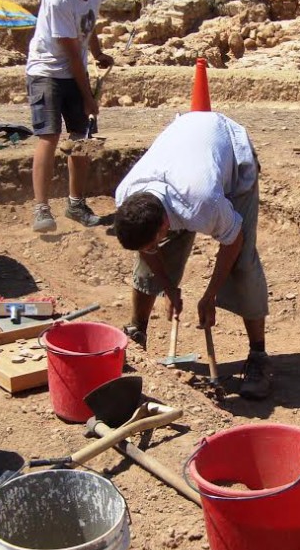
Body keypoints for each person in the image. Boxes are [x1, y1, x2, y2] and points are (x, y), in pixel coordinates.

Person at [112, 110, 272, 400]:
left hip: (229, 152)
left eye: (153, 240)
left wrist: (210, 295)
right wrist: (169, 287)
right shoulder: (127, 195)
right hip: (185, 144)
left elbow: (233, 241)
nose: (150, 247)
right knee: (149, 263)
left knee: (242, 265)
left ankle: (258, 355)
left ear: (164, 225)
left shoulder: (203, 204)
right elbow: (146, 248)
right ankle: (137, 333)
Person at [26, 0, 114, 232]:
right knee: (49, 136)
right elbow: (70, 51)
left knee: (82, 138)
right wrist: (88, 96)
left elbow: (88, 23)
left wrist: (99, 52)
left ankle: (76, 204)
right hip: (47, 70)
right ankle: (41, 209)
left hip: (75, 67)